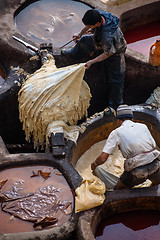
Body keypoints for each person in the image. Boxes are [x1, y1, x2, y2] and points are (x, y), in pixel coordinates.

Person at [61, 9, 127, 111]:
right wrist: (80, 34)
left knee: (116, 79)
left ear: (97, 23)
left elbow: (108, 53)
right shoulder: (99, 14)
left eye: (91, 26)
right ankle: (74, 53)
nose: (89, 27)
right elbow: (88, 26)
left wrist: (92, 61)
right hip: (99, 39)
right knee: (84, 40)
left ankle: (115, 105)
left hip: (116, 51)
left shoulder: (106, 36)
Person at [91, 104, 160, 189]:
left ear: (119, 121)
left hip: (137, 172)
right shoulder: (143, 126)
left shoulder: (116, 133)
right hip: (155, 164)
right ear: (132, 119)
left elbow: (102, 158)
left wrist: (93, 165)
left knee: (118, 190)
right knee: (157, 186)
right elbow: (153, 146)